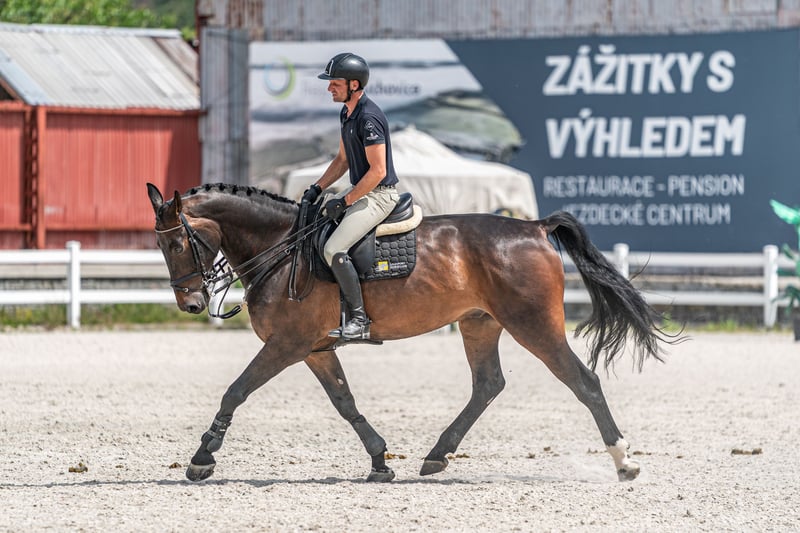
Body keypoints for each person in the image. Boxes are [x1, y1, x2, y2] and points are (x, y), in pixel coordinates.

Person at [301, 52, 400, 340]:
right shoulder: (347, 113)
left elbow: (378, 171)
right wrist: (317, 188)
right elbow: (343, 160)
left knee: (334, 249)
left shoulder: (369, 118)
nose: (329, 88)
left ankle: (359, 320)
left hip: (379, 195)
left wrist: (344, 201)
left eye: (335, 83)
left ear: (353, 85)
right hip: (363, 191)